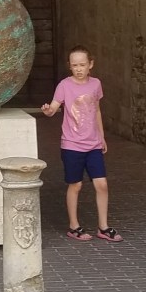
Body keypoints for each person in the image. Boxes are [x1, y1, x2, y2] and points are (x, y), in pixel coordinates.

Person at [41, 47, 121, 242]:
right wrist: (48, 111)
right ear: (70, 66)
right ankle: (74, 226)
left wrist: (102, 136)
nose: (78, 69)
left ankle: (103, 227)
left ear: (90, 64)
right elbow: (54, 108)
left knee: (102, 184)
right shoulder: (64, 85)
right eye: (74, 65)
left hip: (93, 144)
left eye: (82, 65)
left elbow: (96, 110)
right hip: (72, 145)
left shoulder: (96, 84)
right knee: (75, 185)